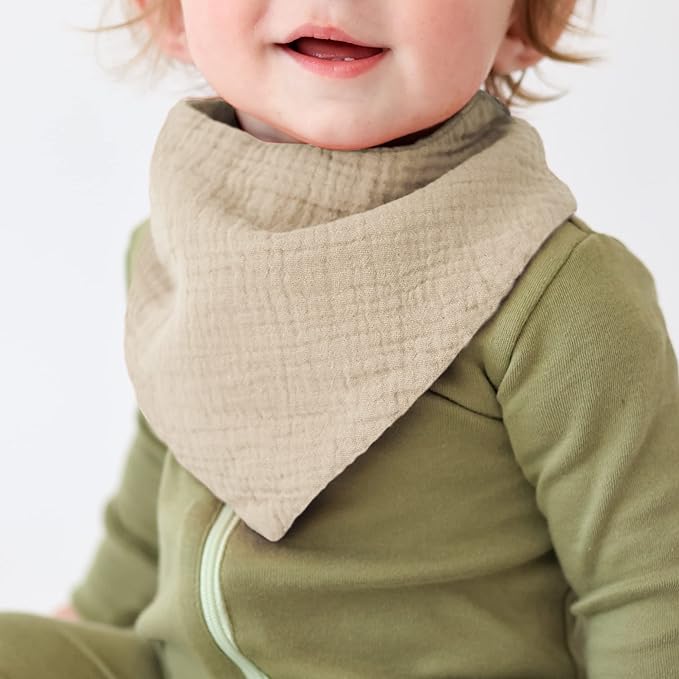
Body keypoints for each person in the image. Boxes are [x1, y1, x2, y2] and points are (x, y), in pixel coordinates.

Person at [2, 1, 678, 677]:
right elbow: (159, 480)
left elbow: (648, 587)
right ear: (173, 15)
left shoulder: (557, 294)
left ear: (518, 24)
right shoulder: (175, 240)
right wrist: (90, 615)